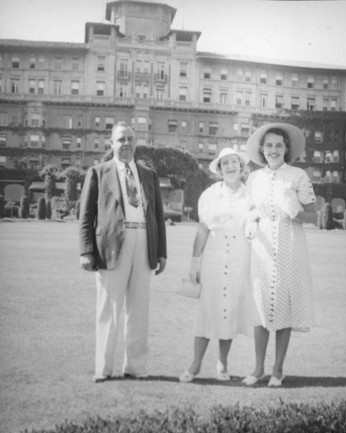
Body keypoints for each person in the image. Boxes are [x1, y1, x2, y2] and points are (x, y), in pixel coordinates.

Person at [79, 121, 167, 382]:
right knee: (108, 310)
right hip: (111, 246)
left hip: (144, 241)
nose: (126, 144)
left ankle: (136, 367)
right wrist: (86, 251)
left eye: (130, 139)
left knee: (139, 309)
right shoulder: (98, 172)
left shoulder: (148, 174)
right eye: (121, 139)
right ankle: (103, 369)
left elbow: (158, 216)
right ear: (111, 143)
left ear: (135, 142)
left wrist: (161, 252)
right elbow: (86, 216)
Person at [242, 123, 317, 388]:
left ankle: (277, 369)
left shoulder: (298, 176)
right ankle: (258, 368)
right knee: (261, 305)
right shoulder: (254, 178)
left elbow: (314, 215)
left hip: (290, 243)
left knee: (283, 304)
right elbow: (250, 210)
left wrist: (296, 211)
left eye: (278, 145)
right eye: (269, 145)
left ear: (286, 149)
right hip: (262, 247)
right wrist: (250, 223)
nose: (273, 150)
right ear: (262, 149)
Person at [179, 147, 253, 383]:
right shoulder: (210, 194)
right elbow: (202, 229)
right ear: (219, 169)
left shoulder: (251, 195)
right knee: (207, 311)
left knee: (229, 311)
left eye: (234, 162)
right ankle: (195, 364)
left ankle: (223, 364)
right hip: (213, 258)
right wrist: (194, 261)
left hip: (240, 260)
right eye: (225, 164)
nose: (230, 167)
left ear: (241, 166)